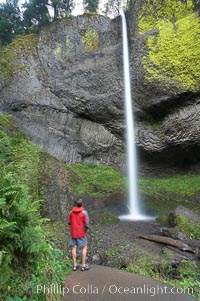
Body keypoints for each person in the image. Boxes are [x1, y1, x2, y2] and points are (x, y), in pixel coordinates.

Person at [68, 199, 90, 271]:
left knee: (74, 247)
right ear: (82, 204)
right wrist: (85, 229)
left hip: (73, 233)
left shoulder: (71, 212)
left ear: (76, 205)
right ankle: (83, 266)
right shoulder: (84, 212)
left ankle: (74, 265)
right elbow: (87, 224)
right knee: (84, 247)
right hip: (81, 233)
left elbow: (69, 222)